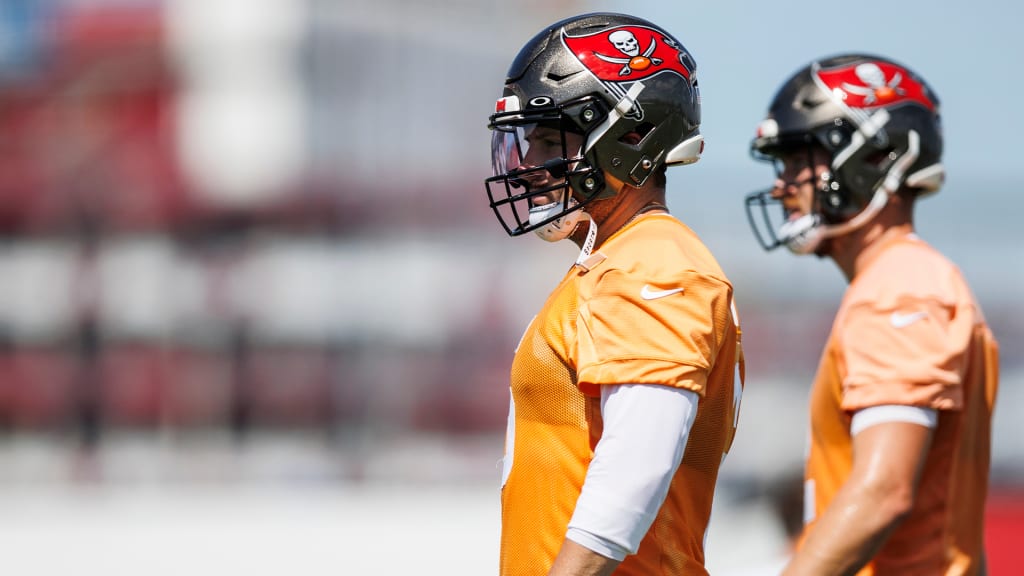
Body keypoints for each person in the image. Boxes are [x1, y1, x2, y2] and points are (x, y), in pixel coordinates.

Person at [485, 12, 744, 576]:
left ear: (630, 138)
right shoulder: (611, 262)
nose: (528, 165)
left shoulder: (653, 263)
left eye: (550, 138)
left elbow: (634, 470)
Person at [744, 53, 1000, 575]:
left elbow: (883, 492)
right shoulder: (909, 279)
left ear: (874, 157)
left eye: (798, 159)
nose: (781, 184)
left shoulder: (899, 286)